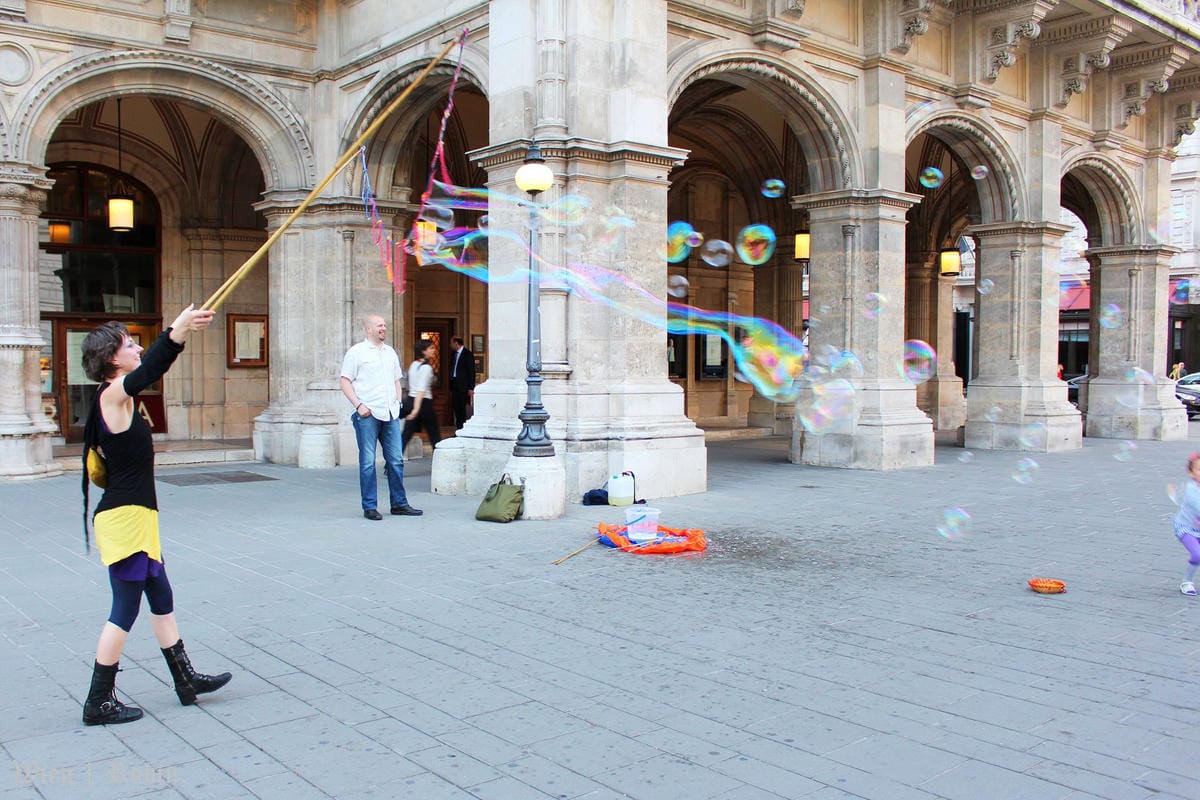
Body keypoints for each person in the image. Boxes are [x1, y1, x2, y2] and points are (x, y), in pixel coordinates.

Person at [79, 304, 232, 726]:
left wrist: (177, 331)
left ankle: (186, 680)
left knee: (161, 598)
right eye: (129, 344)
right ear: (112, 359)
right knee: (124, 608)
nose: (137, 346)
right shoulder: (113, 394)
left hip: (137, 516)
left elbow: (147, 370)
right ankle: (98, 700)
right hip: (124, 519)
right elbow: (150, 371)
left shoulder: (117, 396)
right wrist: (177, 331)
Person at [339, 314, 423, 521]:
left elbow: (397, 380)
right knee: (368, 462)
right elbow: (344, 381)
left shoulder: (390, 353)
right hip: (367, 414)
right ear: (369, 329)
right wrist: (359, 405)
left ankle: (399, 504)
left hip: (390, 413)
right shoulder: (356, 353)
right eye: (379, 326)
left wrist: (397, 402)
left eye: (384, 325)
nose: (383, 328)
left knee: (396, 461)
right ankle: (369, 506)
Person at [403, 340, 443, 455]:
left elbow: (411, 386)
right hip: (423, 403)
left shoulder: (413, 365)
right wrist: (416, 410)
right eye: (431, 348)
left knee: (406, 435)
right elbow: (421, 390)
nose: (434, 350)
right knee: (434, 434)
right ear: (423, 351)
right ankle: (440, 460)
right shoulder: (426, 368)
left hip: (412, 400)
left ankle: (392, 463)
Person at [1174, 453, 1200, 596]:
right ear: (1191, 473)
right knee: (1197, 554)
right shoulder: (1191, 489)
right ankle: (1187, 582)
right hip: (1186, 528)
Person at [448, 336, 476, 430]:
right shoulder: (453, 354)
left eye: (451, 343)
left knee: (462, 409)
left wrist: (471, 388)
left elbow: (471, 371)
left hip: (464, 387)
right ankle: (458, 429)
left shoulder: (467, 354)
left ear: (456, 343)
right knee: (456, 409)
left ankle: (463, 429)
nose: (450, 345)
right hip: (455, 385)